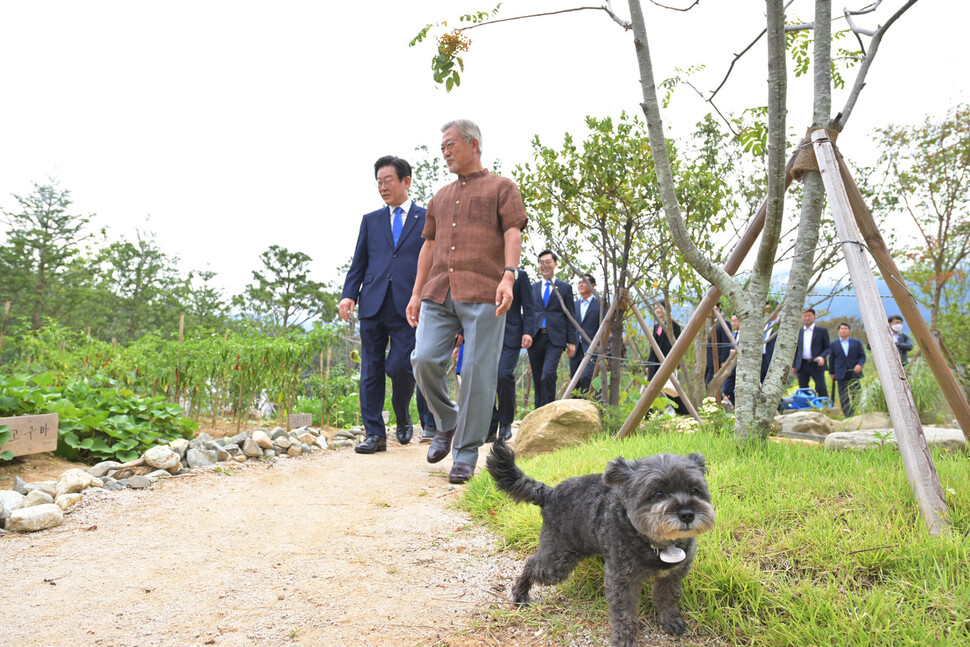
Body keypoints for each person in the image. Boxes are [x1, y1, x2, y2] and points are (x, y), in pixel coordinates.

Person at [408, 119, 527, 485]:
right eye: (442, 147)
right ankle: (447, 421)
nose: (445, 152)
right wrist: (416, 292)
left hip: (485, 291)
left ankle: (466, 453)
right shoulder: (439, 197)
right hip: (439, 290)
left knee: (476, 371)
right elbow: (428, 246)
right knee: (423, 359)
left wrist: (508, 275)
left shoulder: (502, 188)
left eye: (450, 144)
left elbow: (513, 231)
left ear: (473, 144)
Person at [340, 155, 436, 455]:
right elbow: (360, 261)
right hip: (372, 302)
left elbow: (433, 261)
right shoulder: (371, 220)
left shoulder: (426, 218)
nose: (382, 187)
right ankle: (375, 435)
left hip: (410, 304)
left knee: (400, 367)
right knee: (370, 368)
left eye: (388, 181)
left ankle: (403, 413)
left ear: (406, 181)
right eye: (379, 182)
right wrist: (349, 294)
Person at [485, 268, 535, 443]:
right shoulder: (484, 269)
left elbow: (529, 306)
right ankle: (490, 426)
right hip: (485, 333)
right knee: (485, 378)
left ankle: (505, 423)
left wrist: (528, 332)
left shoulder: (520, 276)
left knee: (504, 375)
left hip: (511, 333)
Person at [528, 250, 577, 408]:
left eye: (548, 262)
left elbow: (570, 316)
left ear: (555, 264)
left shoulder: (565, 288)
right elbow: (528, 313)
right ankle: (538, 412)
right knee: (537, 378)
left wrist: (572, 341)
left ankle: (548, 411)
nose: (544, 265)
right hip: (535, 338)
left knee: (548, 374)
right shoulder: (533, 288)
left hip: (555, 339)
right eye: (541, 263)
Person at [648, 300, 688, 415]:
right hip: (655, 363)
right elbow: (653, 346)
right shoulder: (657, 325)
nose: (657, 310)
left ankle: (684, 412)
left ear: (666, 308)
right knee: (650, 389)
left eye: (659, 308)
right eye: (655, 308)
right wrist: (648, 363)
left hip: (668, 362)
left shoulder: (673, 325)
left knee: (670, 390)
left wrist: (676, 361)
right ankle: (648, 415)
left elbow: (678, 344)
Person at [569, 273, 600, 395]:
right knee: (575, 382)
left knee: (587, 378)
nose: (581, 284)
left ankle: (588, 407)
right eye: (579, 283)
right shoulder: (574, 305)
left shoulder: (600, 305)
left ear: (592, 285)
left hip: (592, 348)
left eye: (584, 282)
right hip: (576, 349)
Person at [830, 322, 866, 417]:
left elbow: (862, 356)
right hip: (840, 372)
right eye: (842, 329)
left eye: (846, 328)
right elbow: (831, 359)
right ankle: (848, 415)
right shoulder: (834, 344)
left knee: (856, 393)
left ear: (849, 331)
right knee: (843, 395)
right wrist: (832, 373)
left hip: (854, 372)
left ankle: (855, 411)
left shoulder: (856, 343)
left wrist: (860, 365)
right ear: (838, 331)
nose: (844, 330)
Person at [791, 308, 830, 397]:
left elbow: (828, 348)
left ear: (814, 317)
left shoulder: (821, 331)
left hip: (816, 363)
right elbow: (796, 350)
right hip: (802, 364)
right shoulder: (799, 332)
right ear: (802, 318)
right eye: (805, 316)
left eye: (809, 316)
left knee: (821, 387)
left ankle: (825, 407)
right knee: (803, 388)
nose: (807, 318)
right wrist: (794, 366)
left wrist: (822, 357)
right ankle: (807, 407)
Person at [705, 303, 732, 388]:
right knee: (707, 384)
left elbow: (726, 344)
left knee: (713, 386)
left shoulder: (724, 323)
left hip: (717, 360)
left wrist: (724, 361)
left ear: (719, 309)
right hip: (707, 361)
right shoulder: (708, 324)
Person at [722, 314, 740, 407]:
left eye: (735, 320)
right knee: (726, 389)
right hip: (731, 368)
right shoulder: (732, 335)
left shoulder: (746, 336)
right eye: (732, 321)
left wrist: (737, 351)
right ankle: (736, 405)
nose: (733, 323)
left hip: (741, 367)